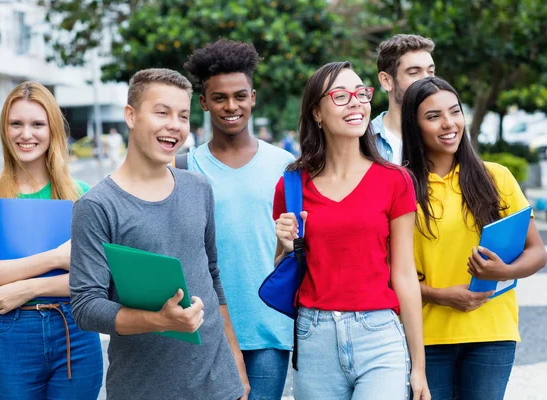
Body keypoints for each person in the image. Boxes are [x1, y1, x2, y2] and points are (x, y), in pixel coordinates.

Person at [69, 68, 249, 400]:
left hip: (217, 383)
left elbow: (211, 276)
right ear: (131, 115)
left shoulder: (198, 188)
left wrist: (234, 363)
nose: (175, 125)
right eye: (162, 112)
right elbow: (86, 306)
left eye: (183, 115)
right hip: (143, 388)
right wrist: (159, 320)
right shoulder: (96, 206)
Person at [273, 61, 430, 400]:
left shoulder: (395, 180)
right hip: (314, 337)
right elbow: (284, 269)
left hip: (380, 334)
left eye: (361, 93)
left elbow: (404, 275)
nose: (356, 103)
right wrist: (286, 245)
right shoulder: (291, 186)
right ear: (317, 111)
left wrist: (418, 366)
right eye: (341, 96)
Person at [401, 76, 547, 400]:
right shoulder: (399, 186)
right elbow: (385, 273)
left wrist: (503, 272)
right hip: (424, 339)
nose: (449, 123)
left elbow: (537, 251)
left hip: (491, 335)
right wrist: (439, 295)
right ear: (414, 125)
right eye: (433, 116)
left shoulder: (496, 177)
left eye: (455, 111)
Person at [0, 81, 103, 399]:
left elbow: (95, 279)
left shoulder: (79, 194)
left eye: (38, 124)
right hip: (15, 331)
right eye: (16, 124)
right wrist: (54, 259)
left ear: (53, 130)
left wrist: (28, 287)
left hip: (75, 332)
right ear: (4, 129)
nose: (26, 134)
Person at [183, 39, 294, 400]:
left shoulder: (285, 166)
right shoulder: (185, 167)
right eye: (219, 98)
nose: (231, 106)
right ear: (204, 103)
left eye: (240, 96)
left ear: (253, 97)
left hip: (269, 331)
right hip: (205, 329)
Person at [372, 34, 436, 164]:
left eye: (430, 72)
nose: (427, 80)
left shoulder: (445, 134)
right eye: (414, 73)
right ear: (386, 81)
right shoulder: (363, 140)